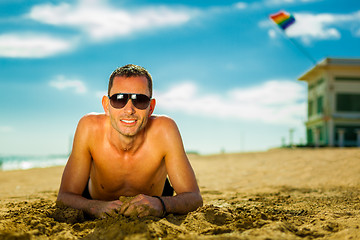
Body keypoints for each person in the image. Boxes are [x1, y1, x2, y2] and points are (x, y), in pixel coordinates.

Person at [57, 64, 203, 218]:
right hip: (95, 196)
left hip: (156, 197)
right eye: (119, 99)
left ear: (151, 107)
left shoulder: (165, 130)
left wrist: (161, 204)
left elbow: (194, 198)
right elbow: (65, 197)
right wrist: (94, 207)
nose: (129, 110)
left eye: (139, 100)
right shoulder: (89, 128)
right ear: (106, 105)